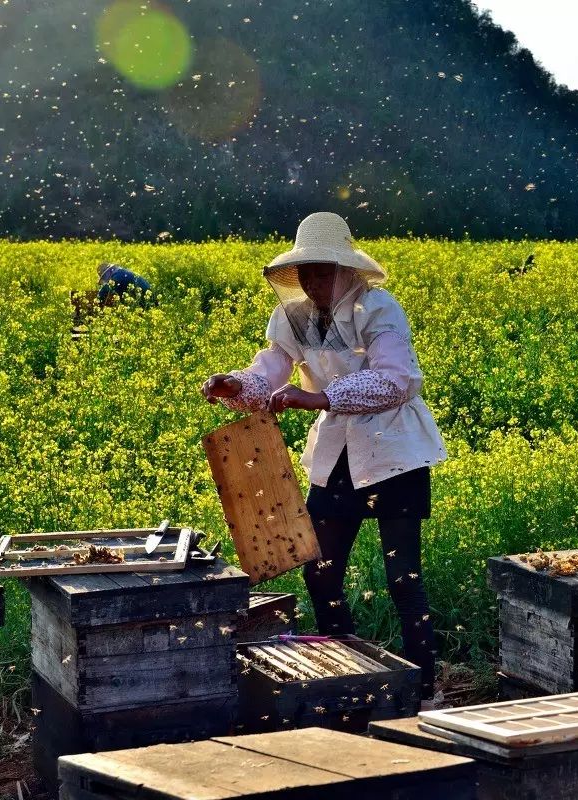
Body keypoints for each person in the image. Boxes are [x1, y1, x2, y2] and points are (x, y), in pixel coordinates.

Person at [200, 212, 447, 703]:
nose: (312, 282)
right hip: (336, 454)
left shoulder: (379, 309)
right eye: (305, 273)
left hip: (395, 453)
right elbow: (271, 368)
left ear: (345, 269)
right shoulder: (293, 317)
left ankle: (422, 685)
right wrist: (237, 385)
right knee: (322, 570)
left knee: (403, 577)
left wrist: (319, 398)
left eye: (322, 271)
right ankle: (346, 673)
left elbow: (397, 380)